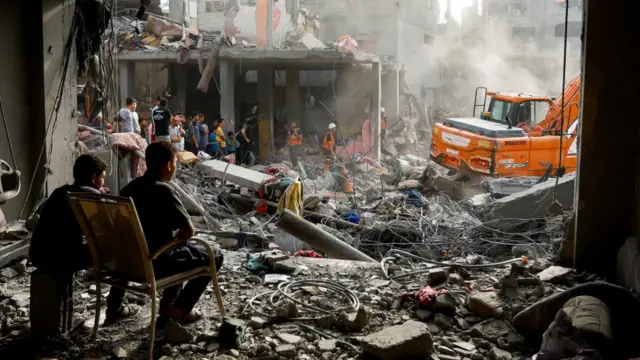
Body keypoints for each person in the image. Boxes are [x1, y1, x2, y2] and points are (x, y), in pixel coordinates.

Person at [108, 142, 224, 323]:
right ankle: (177, 309)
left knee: (179, 247)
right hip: (155, 263)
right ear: (167, 166)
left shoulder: (129, 188)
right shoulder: (164, 190)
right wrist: (178, 238)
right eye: (175, 164)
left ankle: (114, 308)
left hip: (126, 263)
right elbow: (188, 231)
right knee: (214, 255)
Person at [28, 155, 139, 324]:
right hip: (60, 259)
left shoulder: (61, 192)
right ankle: (115, 309)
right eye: (102, 178)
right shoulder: (92, 197)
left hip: (38, 255)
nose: (103, 182)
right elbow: (109, 231)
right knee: (123, 251)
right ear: (94, 178)